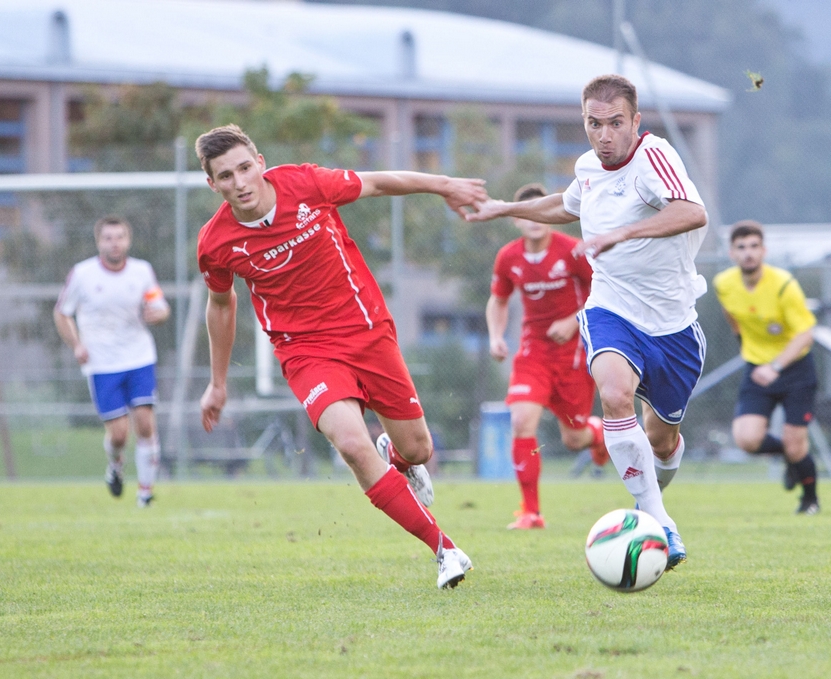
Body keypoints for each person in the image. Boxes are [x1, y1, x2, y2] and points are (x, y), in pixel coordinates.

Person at [194, 124, 487, 589]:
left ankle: (401, 459)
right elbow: (221, 305)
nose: (240, 182)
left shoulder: (306, 184)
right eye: (225, 176)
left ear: (261, 162)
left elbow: (377, 183)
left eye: (245, 168)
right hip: (305, 352)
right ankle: (444, 549)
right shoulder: (216, 243)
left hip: (366, 330)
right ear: (213, 184)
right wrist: (218, 382)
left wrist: (443, 184)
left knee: (419, 449)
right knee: (352, 445)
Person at [469, 74, 709, 570]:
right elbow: (565, 203)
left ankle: (651, 499)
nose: (604, 135)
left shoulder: (653, 156)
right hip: (612, 307)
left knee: (662, 439)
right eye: (593, 124)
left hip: (673, 322)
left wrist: (623, 233)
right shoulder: (588, 167)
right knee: (615, 394)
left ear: (635, 122)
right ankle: (659, 520)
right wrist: (506, 208)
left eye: (615, 123)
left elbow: (692, 212)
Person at [486, 182, 609, 530]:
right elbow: (498, 299)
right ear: (517, 219)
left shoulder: (573, 252)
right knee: (521, 421)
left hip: (573, 355)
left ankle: (596, 434)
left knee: (574, 439)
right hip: (533, 353)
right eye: (528, 212)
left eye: (542, 210)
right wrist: (496, 337)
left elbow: (603, 291)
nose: (535, 219)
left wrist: (574, 321)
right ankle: (531, 512)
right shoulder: (508, 257)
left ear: (552, 216)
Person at [54, 216, 170, 507]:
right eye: (108, 237)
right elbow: (62, 312)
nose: (114, 242)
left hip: (139, 356)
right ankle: (115, 464)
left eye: (119, 237)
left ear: (128, 240)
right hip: (102, 363)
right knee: (119, 434)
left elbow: (159, 305)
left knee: (145, 423)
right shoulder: (83, 274)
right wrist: (77, 344)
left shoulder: (142, 271)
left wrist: (159, 313)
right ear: (99, 242)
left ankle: (145, 493)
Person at [713, 221, 820, 514]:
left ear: (764, 250)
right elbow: (731, 313)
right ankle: (790, 456)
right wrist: (746, 345)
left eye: (753, 247)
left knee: (797, 444)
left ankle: (810, 499)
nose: (748, 253)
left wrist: (775, 365)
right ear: (732, 253)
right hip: (757, 368)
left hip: (796, 369)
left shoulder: (784, 284)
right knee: (747, 440)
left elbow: (805, 334)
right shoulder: (724, 283)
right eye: (741, 247)